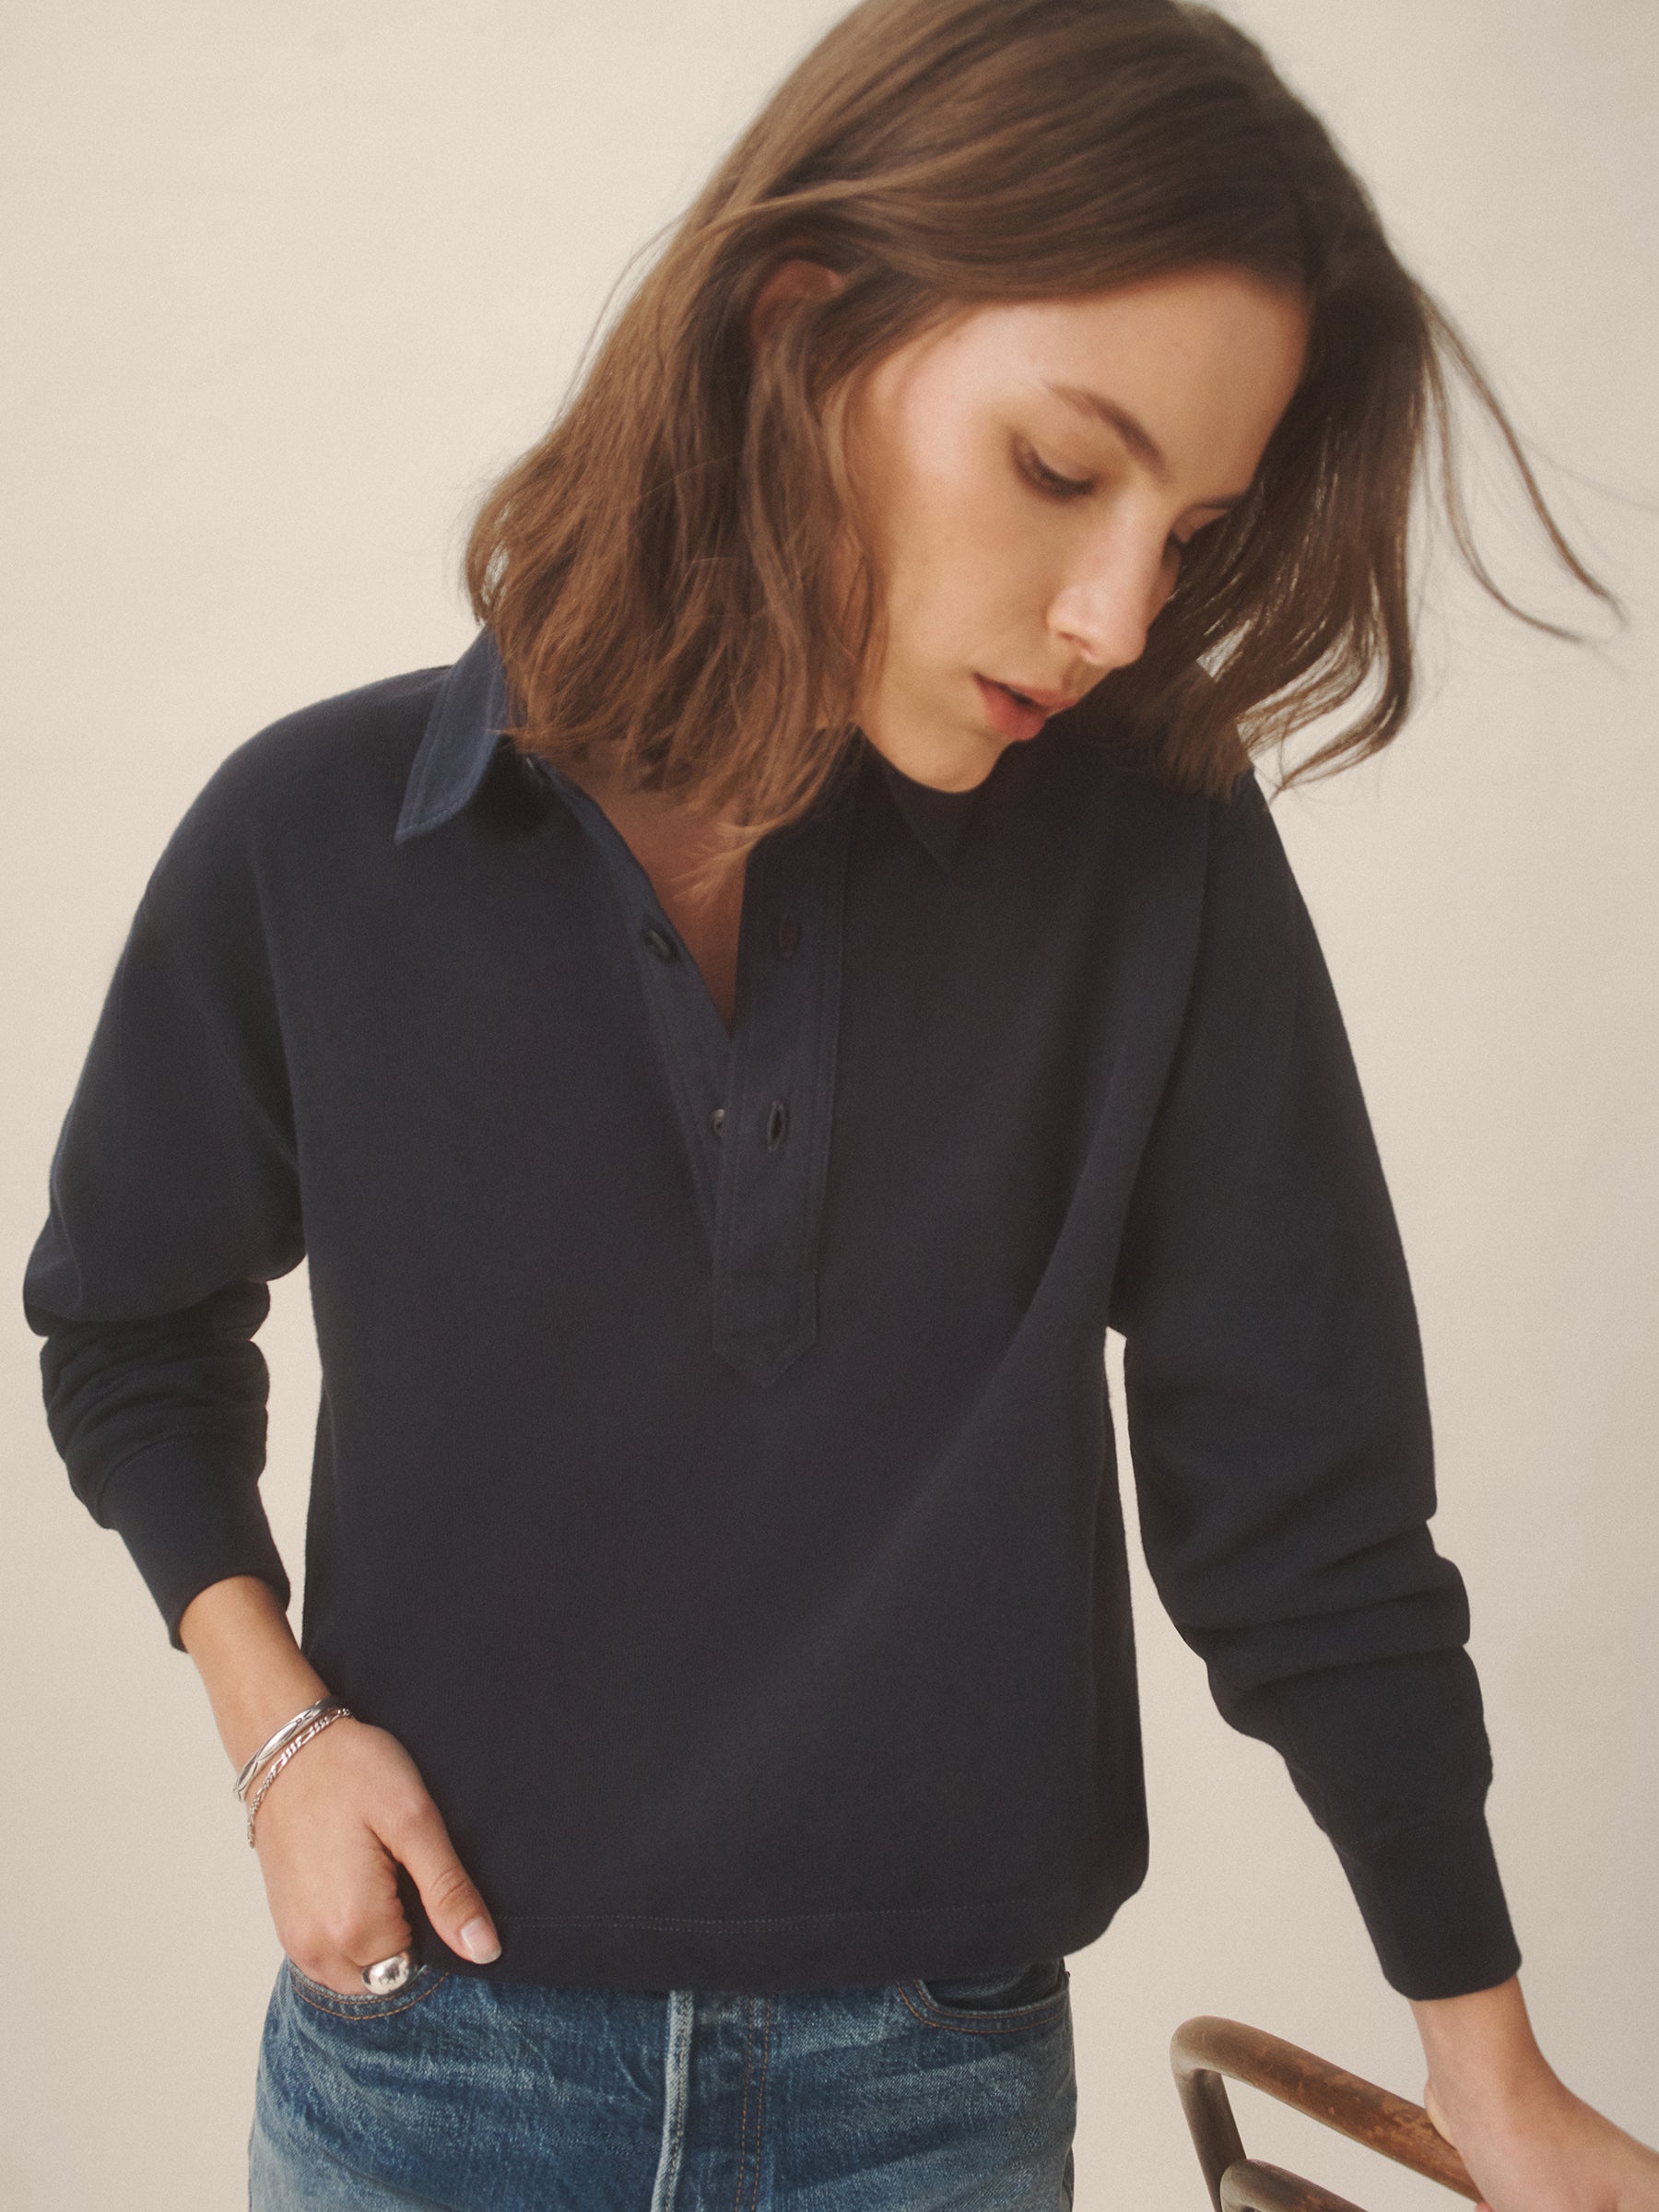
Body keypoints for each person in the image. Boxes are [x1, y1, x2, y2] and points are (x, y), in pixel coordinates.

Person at [20, 0, 1658, 2206]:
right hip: (429, 2071)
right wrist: (276, 1734)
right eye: (1064, 471)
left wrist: (1490, 2067)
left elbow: (1307, 1502)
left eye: (1188, 532)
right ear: (803, 329)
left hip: (933, 2102)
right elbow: (126, 1317)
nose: (1119, 614)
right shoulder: (314, 838)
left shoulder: (1153, 856)